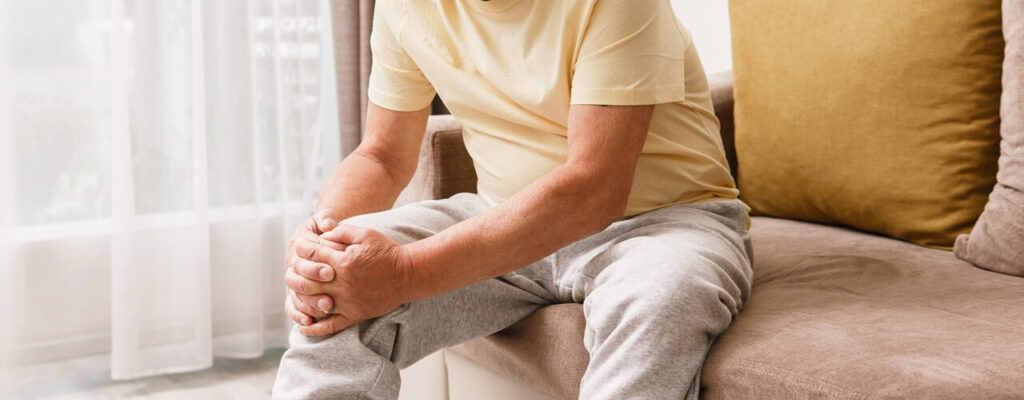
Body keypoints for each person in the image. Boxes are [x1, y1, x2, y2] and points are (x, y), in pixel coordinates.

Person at [272, 0, 752, 398]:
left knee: (661, 298)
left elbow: (594, 189)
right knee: (336, 283)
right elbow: (381, 155)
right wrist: (320, 242)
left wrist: (402, 274)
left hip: (666, 224)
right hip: (501, 214)